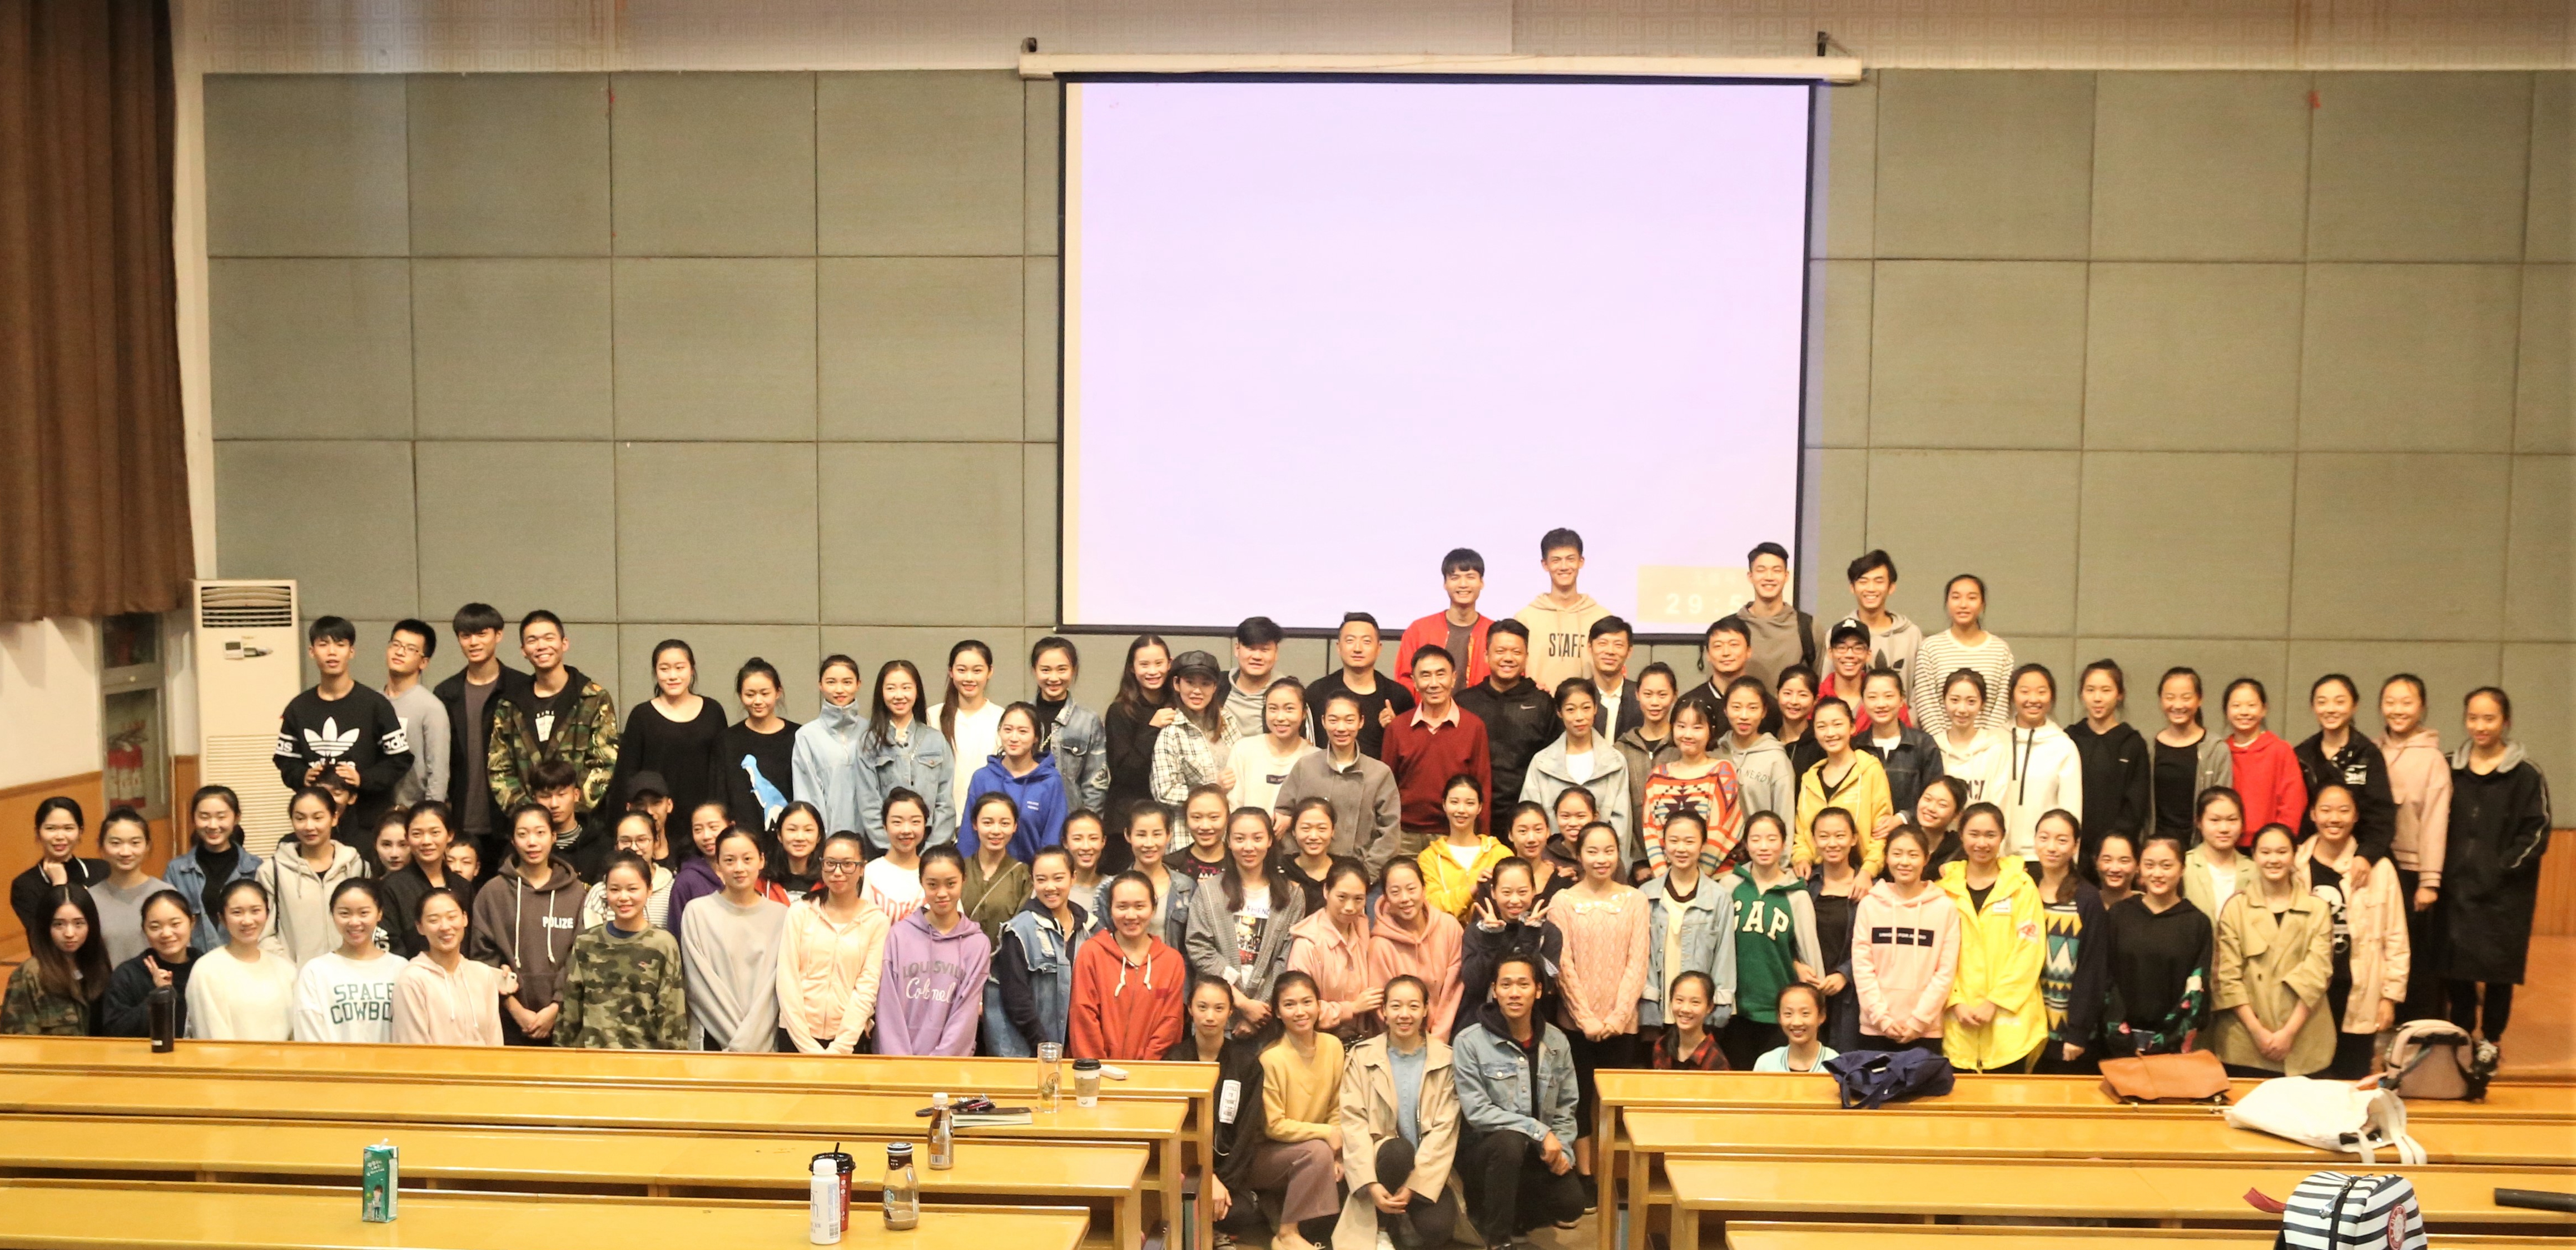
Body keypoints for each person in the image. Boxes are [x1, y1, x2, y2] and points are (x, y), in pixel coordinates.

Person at [1451, 953, 1585, 1249]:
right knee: (1509, 1142)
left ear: (1538, 990)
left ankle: (1518, 1218)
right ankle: (1497, 1238)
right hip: (1485, 1156)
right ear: (1494, 990)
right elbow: (1478, 1112)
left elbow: (1566, 1106)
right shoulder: (1469, 1042)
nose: (1514, 993)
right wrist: (1540, 1132)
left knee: (1571, 1204)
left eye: (1523, 985)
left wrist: (1563, 1151)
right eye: (1506, 984)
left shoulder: (1557, 1042)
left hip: (1535, 1154)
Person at [2444, 686, 2548, 1050]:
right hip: (2455, 890)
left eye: (2489, 718)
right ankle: (2459, 1036)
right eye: (2473, 718)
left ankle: (2491, 1038)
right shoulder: (2448, 767)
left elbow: (2536, 831)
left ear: (2506, 721)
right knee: (2454, 967)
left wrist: (2501, 868)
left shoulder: (2526, 775)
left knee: (2498, 971)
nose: (2480, 726)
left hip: (2504, 895)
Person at [1336, 973, 1462, 1250]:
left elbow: (1445, 1130)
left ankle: (1401, 1220)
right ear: (1384, 1010)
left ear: (1426, 1010)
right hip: (1380, 1165)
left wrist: (1414, 1187)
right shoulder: (1361, 1057)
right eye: (1396, 1006)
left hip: (1425, 1170)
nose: (1404, 1015)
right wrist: (1370, 1184)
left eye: (1414, 1006)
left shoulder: (1446, 1059)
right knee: (1397, 1150)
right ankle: (1381, 1228)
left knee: (1437, 1230)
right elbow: (1353, 1123)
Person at [273, 616, 415, 856]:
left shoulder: (375, 704)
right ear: (311, 651)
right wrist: (302, 776)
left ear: (351, 651)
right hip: (316, 825)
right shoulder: (299, 708)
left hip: (368, 823)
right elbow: (285, 761)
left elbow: (400, 759)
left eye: (340, 644)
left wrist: (363, 779)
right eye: (323, 644)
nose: (332, 652)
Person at [1552, 820, 1647, 1169]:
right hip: (1576, 1025)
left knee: (1616, 1105)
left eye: (1609, 851)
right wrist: (1586, 1019)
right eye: (1592, 851)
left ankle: (1614, 1177)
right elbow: (1563, 964)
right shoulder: (1562, 901)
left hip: (1622, 1024)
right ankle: (1585, 1175)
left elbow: (1638, 962)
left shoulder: (1635, 900)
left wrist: (1618, 1017)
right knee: (1576, 1101)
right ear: (1578, 855)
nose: (1601, 859)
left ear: (1619, 854)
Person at [2299, 784, 2410, 1078]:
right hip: (2308, 995)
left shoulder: (2381, 869)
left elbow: (2396, 937)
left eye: (2343, 810)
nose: (2334, 818)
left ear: (2356, 816)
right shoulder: (2295, 865)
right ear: (2313, 814)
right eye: (2325, 810)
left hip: (2360, 992)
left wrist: (2389, 998)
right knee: (2309, 1085)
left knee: (2353, 1082)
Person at [2207, 824, 2335, 1077]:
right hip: (2245, 1041)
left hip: (2304, 1039)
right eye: (2265, 852)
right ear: (2254, 856)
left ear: (2295, 854)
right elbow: (2226, 977)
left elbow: (2318, 975)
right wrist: (2258, 1032)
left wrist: (2288, 1033)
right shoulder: (2236, 907)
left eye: (2282, 852)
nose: (2273, 860)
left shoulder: (2317, 909)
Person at [485, 610, 619, 826]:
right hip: (528, 829)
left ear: (564, 644)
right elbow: (499, 768)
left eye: (549, 638)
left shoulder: (593, 698)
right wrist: (531, 816)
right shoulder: (510, 704)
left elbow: (604, 763)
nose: (541, 646)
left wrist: (570, 811)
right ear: (523, 651)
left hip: (582, 827)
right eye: (532, 640)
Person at [1939, 802, 2044, 1072]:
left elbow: (2029, 951)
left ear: (2002, 837)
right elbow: (1935, 954)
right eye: (1974, 834)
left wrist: (1995, 1002)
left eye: (1990, 835)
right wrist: (1955, 1000)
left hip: (2011, 1028)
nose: (1982, 843)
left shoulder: (2022, 886)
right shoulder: (1943, 891)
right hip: (1957, 1025)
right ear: (1961, 835)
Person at [469, 801, 584, 1045]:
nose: (532, 842)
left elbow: (580, 955)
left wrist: (557, 1006)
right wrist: (514, 1008)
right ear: (513, 840)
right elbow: (482, 958)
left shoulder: (576, 893)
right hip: (506, 1021)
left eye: (540, 833)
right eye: (523, 834)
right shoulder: (493, 893)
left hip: (565, 1022)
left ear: (554, 836)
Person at [554, 850, 692, 1049]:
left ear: (649, 889)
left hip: (645, 1060)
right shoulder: (586, 942)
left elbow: (673, 1017)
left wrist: (673, 1062)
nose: (624, 897)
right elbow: (570, 1012)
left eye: (633, 889)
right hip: (593, 1059)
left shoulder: (663, 944)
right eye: (615, 889)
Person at [1186, 807, 1306, 1032]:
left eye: (1257, 838)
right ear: (1229, 842)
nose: (1249, 847)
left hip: (1266, 1017)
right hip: (1216, 1016)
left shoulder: (1293, 895)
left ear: (1270, 841)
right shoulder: (1208, 891)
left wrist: (1258, 1010)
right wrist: (1241, 1003)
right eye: (1240, 839)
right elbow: (1199, 948)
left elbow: (1287, 958)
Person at [1248, 973, 1345, 1250]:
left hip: (1317, 1148)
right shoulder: (1271, 1058)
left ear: (1319, 1005)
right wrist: (1326, 1135)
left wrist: (1337, 1153)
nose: (1300, 1012)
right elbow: (1273, 1126)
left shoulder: (1333, 1047)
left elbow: (1338, 1105)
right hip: (1268, 1154)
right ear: (1278, 1012)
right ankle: (1286, 1234)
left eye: (1307, 1002)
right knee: (1316, 1153)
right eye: (1290, 1005)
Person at [2095, 835, 2215, 1058]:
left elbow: (2197, 989)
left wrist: (2164, 1042)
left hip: (2172, 1049)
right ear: (2139, 868)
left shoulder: (2197, 923)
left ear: (2182, 869)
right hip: (2117, 1046)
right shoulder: (2119, 915)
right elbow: (2104, 977)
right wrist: (2121, 1035)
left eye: (2166, 866)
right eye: (2149, 865)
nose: (2157, 874)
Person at [2375, 674, 2451, 1022]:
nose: (2398, 710)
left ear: (2422, 707)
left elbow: (2436, 823)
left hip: (2411, 870)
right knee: (2379, 946)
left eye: (2407, 702)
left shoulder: (2433, 759)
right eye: (2390, 702)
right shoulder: (2372, 750)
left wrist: (2429, 881)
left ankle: (2418, 1027)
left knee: (2413, 951)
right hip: (2376, 864)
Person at [1172, 972, 1269, 1238]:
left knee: (1239, 1212)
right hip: (1183, 1169)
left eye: (1219, 1008)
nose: (1210, 1017)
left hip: (1229, 1174)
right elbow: (1172, 1134)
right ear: (1190, 1009)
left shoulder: (1247, 1064)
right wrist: (1207, 1180)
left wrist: (1222, 1182)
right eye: (1202, 1007)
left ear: (1230, 1013)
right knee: (1183, 1203)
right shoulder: (1174, 1062)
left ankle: (1205, 1231)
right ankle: (1210, 1234)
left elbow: (1248, 1133)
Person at [602, 640, 723, 850]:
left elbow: (721, 771)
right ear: (655, 672)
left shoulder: (713, 712)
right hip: (655, 820)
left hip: (702, 824)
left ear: (692, 670)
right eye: (664, 669)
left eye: (680, 668)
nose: (673, 676)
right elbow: (626, 776)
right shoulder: (642, 716)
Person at [777, 831, 890, 1054]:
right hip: (795, 1035)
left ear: (862, 868)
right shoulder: (800, 912)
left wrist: (840, 1047)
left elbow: (867, 986)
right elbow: (787, 978)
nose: (838, 872)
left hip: (848, 1039)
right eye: (830, 864)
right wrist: (807, 1045)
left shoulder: (877, 921)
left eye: (848, 864)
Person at [873, 845, 992, 1056]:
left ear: (964, 880)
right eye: (933, 885)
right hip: (898, 1062)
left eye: (951, 884)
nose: (942, 893)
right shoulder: (899, 935)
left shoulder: (977, 944)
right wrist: (900, 1061)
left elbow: (965, 1015)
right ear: (921, 883)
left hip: (949, 1065)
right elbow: (887, 1007)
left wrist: (939, 1063)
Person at [1853, 826, 1959, 1054]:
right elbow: (1862, 967)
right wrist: (1882, 1019)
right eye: (1897, 854)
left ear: (1926, 859)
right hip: (1875, 1028)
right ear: (1886, 858)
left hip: (1926, 1030)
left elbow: (1945, 972)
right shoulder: (1870, 905)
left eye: (1913, 855)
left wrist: (1918, 1022)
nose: (1905, 862)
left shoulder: (1945, 908)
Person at [1384, 646, 1493, 866]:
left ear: (1454, 679)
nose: (1434, 684)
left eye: (1441, 674)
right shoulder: (1398, 728)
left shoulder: (1473, 727)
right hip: (1405, 836)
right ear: (1415, 682)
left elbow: (1482, 786)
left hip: (1455, 834)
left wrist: (1483, 840)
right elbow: (1386, 788)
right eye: (1425, 675)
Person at [434, 603, 528, 857]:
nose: (473, 642)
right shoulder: (446, 692)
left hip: (512, 817)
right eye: (466, 636)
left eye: (482, 634)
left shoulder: (521, 687)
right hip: (461, 817)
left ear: (499, 635)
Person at [1724, 813, 1817, 1069]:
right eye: (1756, 839)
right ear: (1746, 844)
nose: (1764, 847)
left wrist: (1798, 966)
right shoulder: (1729, 886)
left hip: (1781, 1014)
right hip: (1735, 1011)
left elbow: (1810, 957)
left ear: (1784, 844)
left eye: (1772, 839)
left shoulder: (1797, 895)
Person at [1273, 691, 1403, 870]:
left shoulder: (1379, 773)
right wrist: (1297, 865)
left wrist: (1367, 874)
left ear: (1361, 722)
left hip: (1359, 873)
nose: (1341, 728)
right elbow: (1284, 815)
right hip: (1306, 872)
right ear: (1323, 721)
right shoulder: (1305, 767)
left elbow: (1390, 832)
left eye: (1349, 720)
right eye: (1333, 720)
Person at [1638, 813, 1736, 1048]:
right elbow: (1640, 956)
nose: (1681, 848)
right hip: (1657, 1006)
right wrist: (1647, 999)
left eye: (1689, 841)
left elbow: (1725, 955)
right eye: (1674, 841)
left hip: (1699, 1010)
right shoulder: (1645, 894)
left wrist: (1721, 1002)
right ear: (1664, 844)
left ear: (1703, 846)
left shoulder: (1719, 897)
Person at [1070, 871, 1189, 1060]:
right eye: (1122, 907)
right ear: (1110, 908)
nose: (1131, 915)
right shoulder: (1092, 953)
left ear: (1153, 908)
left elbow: (1171, 1023)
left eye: (1140, 906)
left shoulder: (1171, 961)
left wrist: (1145, 1068)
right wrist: (1097, 1068)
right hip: (1097, 1071)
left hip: (1151, 1072)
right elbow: (1083, 1015)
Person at [991, 845, 1091, 1057]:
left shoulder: (1090, 929)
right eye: (1042, 880)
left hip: (1078, 1049)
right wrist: (1045, 1047)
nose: (1050, 887)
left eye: (1058, 878)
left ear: (1073, 877)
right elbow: (1016, 999)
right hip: (1030, 1050)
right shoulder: (1019, 931)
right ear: (1033, 881)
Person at [2029, 809, 2108, 1073]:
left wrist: (2078, 1031)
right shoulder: (2023, 888)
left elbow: (2093, 969)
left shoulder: (2087, 898)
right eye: (2044, 838)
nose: (2052, 847)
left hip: (2064, 1030)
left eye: (2062, 840)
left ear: (2075, 846)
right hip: (2023, 1026)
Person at [1522, 678, 1630, 865]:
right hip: (1552, 866)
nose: (1579, 717)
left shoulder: (1615, 762)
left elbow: (1622, 824)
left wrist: (1615, 867)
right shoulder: (1542, 763)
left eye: (1586, 708)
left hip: (1602, 865)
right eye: (1571, 710)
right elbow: (1530, 819)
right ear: (1559, 712)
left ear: (1596, 708)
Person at [853, 659, 958, 851]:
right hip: (884, 848)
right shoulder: (869, 743)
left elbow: (945, 803)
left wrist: (931, 850)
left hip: (929, 845)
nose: (899, 695)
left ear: (917, 691)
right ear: (881, 693)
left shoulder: (936, 740)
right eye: (891, 688)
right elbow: (869, 804)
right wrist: (891, 851)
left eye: (906, 688)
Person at [2296, 675, 2398, 868]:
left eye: (2340, 702)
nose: (2331, 709)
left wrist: (2366, 856)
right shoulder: (2302, 755)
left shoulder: (2368, 754)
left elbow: (2381, 816)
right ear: (2313, 707)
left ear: (2354, 706)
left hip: (2359, 858)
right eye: (2322, 702)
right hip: (2310, 858)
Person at [257, 786, 366, 965]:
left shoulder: (357, 866)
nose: (309, 826)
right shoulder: (272, 871)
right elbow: (265, 934)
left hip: (351, 973)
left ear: (334, 818)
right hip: (295, 976)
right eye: (300, 818)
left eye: (318, 818)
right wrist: (291, 971)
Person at [1459, 619, 1555, 817]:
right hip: (1471, 813)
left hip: (1527, 813)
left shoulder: (1542, 703)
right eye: (1500, 651)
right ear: (1486, 655)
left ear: (1526, 657)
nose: (1508, 658)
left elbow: (1554, 762)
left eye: (1516, 652)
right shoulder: (1464, 703)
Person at [391, 887, 510, 1045]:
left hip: (483, 1062)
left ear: (465, 919)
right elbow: (413, 1047)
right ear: (420, 927)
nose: (445, 927)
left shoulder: (482, 974)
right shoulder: (412, 980)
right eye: (434, 920)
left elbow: (495, 1040)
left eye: (452, 917)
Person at [1794, 698, 1892, 882]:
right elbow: (1802, 833)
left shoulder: (1870, 770)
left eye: (1837, 724)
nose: (1830, 733)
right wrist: (1801, 859)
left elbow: (1881, 832)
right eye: (1822, 727)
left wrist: (1868, 871)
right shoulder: (1810, 778)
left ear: (1852, 728)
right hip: (1816, 878)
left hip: (1862, 877)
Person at [291, 879, 401, 1042]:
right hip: (332, 1059)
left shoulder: (401, 968)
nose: (354, 922)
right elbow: (309, 1034)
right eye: (345, 913)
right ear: (332, 915)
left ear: (379, 914)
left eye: (364, 913)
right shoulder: (316, 971)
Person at [187, 880, 297, 1039]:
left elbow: (296, 1034)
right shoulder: (207, 970)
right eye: (237, 912)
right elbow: (212, 1038)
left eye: (255, 911)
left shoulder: (286, 970)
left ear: (267, 914)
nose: (247, 921)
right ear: (222, 918)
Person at [1371, 856, 1466, 1039]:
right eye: (1395, 892)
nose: (1405, 898)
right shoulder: (1380, 945)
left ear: (1424, 889)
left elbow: (1455, 989)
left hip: (1451, 1034)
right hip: (1401, 1040)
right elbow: (1381, 1006)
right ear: (1386, 897)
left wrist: (1438, 1038)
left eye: (1412, 889)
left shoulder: (1449, 927)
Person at [962, 701, 1073, 859]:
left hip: (1035, 872)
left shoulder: (1050, 782)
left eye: (1023, 731)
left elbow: (1053, 838)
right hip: (987, 872)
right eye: (1008, 730)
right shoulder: (983, 778)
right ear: (1000, 732)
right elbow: (968, 836)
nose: (1014, 738)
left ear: (1036, 737)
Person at [1909, 576, 2013, 737]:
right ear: (1947, 603)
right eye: (1956, 597)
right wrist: (1943, 743)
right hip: (1939, 746)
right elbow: (1927, 705)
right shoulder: (1930, 648)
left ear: (1982, 604)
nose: (1963, 605)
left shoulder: (2000, 650)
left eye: (1972, 598)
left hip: (1990, 746)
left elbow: (2002, 706)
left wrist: (1987, 744)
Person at [1998, 665, 2084, 859]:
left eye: (2041, 692)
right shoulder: (1995, 740)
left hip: (2045, 857)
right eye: (2025, 691)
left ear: (2051, 697)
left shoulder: (2063, 746)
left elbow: (2071, 811)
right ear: (2012, 696)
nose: (2033, 699)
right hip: (1995, 854)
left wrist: (2069, 862)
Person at [1103, 634, 1178, 858]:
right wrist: (1152, 728)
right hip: (1127, 820)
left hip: (1170, 818)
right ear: (1132, 668)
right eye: (1144, 665)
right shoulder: (1120, 711)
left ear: (1170, 664)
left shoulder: (1179, 706)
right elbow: (1123, 773)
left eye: (1159, 663)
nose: (1152, 671)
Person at [2066, 661, 2150, 859]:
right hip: (2073, 848)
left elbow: (2136, 804)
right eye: (2090, 690)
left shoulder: (2132, 743)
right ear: (2082, 694)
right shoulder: (2069, 738)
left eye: (2106, 690)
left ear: (2120, 695)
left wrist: (2114, 845)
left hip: (2117, 854)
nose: (2097, 698)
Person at [1287, 860, 1377, 1041]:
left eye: (1358, 899)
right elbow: (1299, 1007)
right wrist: (1352, 1008)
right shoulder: (1308, 944)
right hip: (1318, 1041)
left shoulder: (1363, 928)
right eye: (1342, 897)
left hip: (1363, 1040)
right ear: (1326, 891)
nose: (1350, 907)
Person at [165, 786, 261, 955]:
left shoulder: (257, 869)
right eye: (204, 817)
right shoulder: (177, 870)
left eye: (221, 817)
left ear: (237, 818)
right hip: (192, 964)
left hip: (245, 961)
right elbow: (168, 921)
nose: (213, 825)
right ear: (193, 819)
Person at [1514, 527, 1608, 700]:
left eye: (1570, 559)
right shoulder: (1525, 618)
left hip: (1588, 709)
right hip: (1538, 707)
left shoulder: (1601, 618)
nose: (1564, 567)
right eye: (1556, 560)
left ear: (1581, 562)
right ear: (1545, 565)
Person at [1308, 612, 1417, 760]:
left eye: (1366, 641)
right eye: (1350, 641)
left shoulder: (1398, 696)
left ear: (1379, 648)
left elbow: (1411, 749)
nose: (1358, 648)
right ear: (1338, 647)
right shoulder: (1317, 693)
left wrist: (1395, 729)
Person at [1463, 858, 1562, 1019]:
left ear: (1534, 891)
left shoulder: (1549, 932)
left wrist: (1531, 936)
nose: (1515, 900)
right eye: (1507, 893)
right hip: (1484, 1019)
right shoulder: (1477, 931)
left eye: (1522, 892)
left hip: (1533, 1020)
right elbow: (1475, 986)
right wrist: (1491, 938)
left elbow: (1544, 987)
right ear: (1494, 892)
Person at [2, 884, 106, 1034]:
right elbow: (19, 1041)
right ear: (46, 927)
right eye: (59, 925)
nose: (69, 933)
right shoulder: (30, 974)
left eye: (79, 924)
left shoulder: (99, 965)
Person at [1817, 550, 1923, 694]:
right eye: (1863, 581)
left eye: (1879, 581)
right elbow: (1828, 687)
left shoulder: (1911, 635)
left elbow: (1919, 690)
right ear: (1852, 588)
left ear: (1891, 587)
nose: (1871, 589)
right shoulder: (1838, 634)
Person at [720, 657, 802, 838]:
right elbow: (720, 796)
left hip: (790, 838)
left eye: (765, 693)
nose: (758, 701)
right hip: (743, 840)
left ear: (778, 692)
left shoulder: (799, 736)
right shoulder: (727, 740)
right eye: (750, 695)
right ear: (740, 695)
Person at [2147, 668, 2234, 839]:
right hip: (2157, 846)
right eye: (2170, 698)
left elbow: (2222, 807)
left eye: (2186, 698)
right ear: (2161, 700)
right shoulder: (2149, 748)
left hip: (2201, 846)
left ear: (2200, 699)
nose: (2178, 705)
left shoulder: (2216, 750)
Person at [98, 889, 197, 1037]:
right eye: (155, 927)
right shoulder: (128, 974)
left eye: (175, 924)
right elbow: (115, 1030)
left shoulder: (207, 969)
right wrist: (159, 996)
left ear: (192, 923)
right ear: (144, 930)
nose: (166, 934)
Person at [1030, 636, 1112, 814]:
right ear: (1034, 670)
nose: (1054, 678)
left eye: (1062, 669)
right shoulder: (1020, 717)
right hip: (1024, 819)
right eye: (1045, 670)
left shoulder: (1088, 721)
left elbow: (1095, 784)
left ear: (1073, 670)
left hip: (1070, 819)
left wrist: (1088, 824)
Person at [1398, 547, 1494, 694]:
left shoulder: (1494, 633)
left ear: (1482, 582)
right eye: (1455, 578)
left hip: (1481, 709)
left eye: (1470, 577)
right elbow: (1405, 680)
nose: (1463, 584)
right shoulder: (1419, 630)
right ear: (1445, 584)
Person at [792, 655, 868, 840]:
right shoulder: (807, 735)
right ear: (820, 685)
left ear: (858, 684)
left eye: (847, 682)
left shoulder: (872, 731)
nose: (839, 689)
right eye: (831, 682)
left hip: (871, 839)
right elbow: (807, 795)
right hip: (827, 840)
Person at [1804, 810, 1863, 1049]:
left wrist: (1845, 974)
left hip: (1851, 997)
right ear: (1814, 841)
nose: (1832, 843)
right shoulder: (1804, 885)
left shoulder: (1869, 888)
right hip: (1808, 990)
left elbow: (1875, 946)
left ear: (1854, 839)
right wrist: (1797, 965)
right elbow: (1788, 935)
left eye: (1840, 836)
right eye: (1824, 836)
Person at [1153, 649, 1240, 804]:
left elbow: (1243, 768)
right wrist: (1214, 788)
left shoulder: (1227, 719)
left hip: (1231, 814)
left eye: (1205, 684)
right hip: (1192, 818)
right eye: (1190, 683)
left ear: (1215, 687)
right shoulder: (1171, 731)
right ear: (1177, 684)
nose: (1197, 691)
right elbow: (1165, 792)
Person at [379, 620, 450, 810]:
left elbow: (438, 772)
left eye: (411, 649)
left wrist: (430, 814)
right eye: (396, 644)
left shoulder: (431, 707)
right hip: (374, 811)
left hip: (413, 811)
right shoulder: (372, 701)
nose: (400, 652)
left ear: (424, 662)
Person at [12, 799, 105, 944]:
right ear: (38, 832)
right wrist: (59, 886)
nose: (60, 837)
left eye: (68, 828)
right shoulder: (25, 885)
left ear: (80, 832)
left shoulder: (101, 870)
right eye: (51, 829)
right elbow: (42, 937)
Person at [1106, 800, 1195, 951]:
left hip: (1172, 965)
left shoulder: (1186, 887)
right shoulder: (1110, 887)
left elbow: (1192, 945)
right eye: (1141, 835)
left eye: (1157, 834)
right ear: (1128, 835)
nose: (1149, 843)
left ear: (1169, 835)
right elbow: (1103, 942)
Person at [82, 808, 167, 968]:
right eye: (116, 843)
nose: (126, 852)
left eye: (135, 843)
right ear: (100, 846)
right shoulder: (89, 900)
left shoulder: (165, 896)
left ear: (148, 846)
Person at [1419, 775, 1511, 920]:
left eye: (1470, 803)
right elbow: (1431, 905)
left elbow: (1512, 901)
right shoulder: (1429, 858)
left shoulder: (1501, 854)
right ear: (1444, 805)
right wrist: (1473, 889)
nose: (1461, 810)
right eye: (1454, 802)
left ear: (1480, 807)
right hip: (1446, 932)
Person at [2221, 679, 2307, 833]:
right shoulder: (2221, 751)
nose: (2244, 712)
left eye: (2252, 705)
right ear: (2226, 711)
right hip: (2225, 839)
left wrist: (2279, 838)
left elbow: (2293, 803)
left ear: (2264, 709)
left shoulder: (2280, 750)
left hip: (2271, 842)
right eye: (2236, 706)